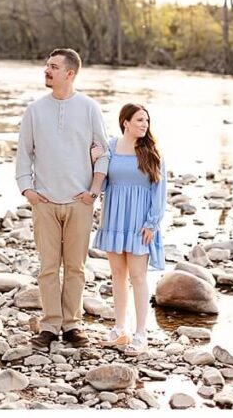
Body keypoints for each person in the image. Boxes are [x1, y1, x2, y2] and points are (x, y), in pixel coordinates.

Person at [15, 48, 110, 350]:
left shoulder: (89, 108)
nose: (47, 70)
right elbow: (23, 153)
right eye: (46, 65)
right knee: (47, 267)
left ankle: (73, 325)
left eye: (53, 67)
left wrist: (93, 192)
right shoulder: (34, 110)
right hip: (44, 202)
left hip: (79, 203)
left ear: (69, 74)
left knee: (75, 268)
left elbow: (102, 153)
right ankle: (50, 324)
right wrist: (27, 190)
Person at [90, 103, 167, 356]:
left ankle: (141, 334)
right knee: (117, 275)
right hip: (114, 219)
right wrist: (94, 161)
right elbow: (102, 184)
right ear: (125, 122)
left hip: (139, 223)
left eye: (146, 121)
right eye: (139, 120)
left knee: (138, 277)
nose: (144, 125)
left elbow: (159, 191)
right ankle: (119, 328)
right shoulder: (111, 147)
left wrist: (152, 223)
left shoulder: (152, 152)